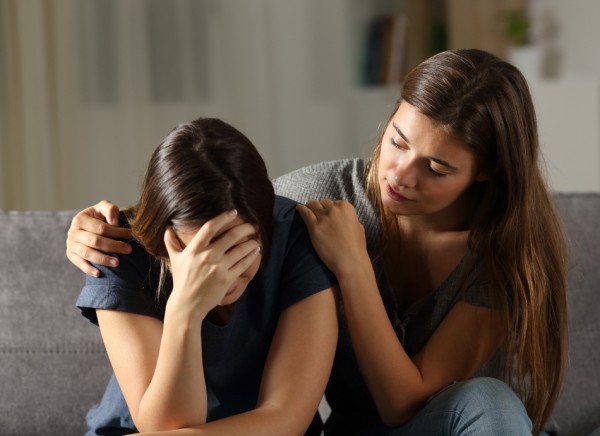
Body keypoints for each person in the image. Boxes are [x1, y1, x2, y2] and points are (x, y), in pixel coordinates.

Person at [67, 49, 568, 435]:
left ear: (487, 173)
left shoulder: (512, 255)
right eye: (397, 140)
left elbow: (402, 403)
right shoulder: (313, 199)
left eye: (437, 168)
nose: (400, 174)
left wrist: (352, 266)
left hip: (447, 425)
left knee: (492, 401)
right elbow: (224, 197)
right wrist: (89, 228)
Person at [72, 117, 338, 435]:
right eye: (199, 254)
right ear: (163, 237)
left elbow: (285, 418)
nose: (222, 275)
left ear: (264, 228)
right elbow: (164, 425)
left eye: (238, 250)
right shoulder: (118, 250)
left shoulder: (296, 238)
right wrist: (186, 309)